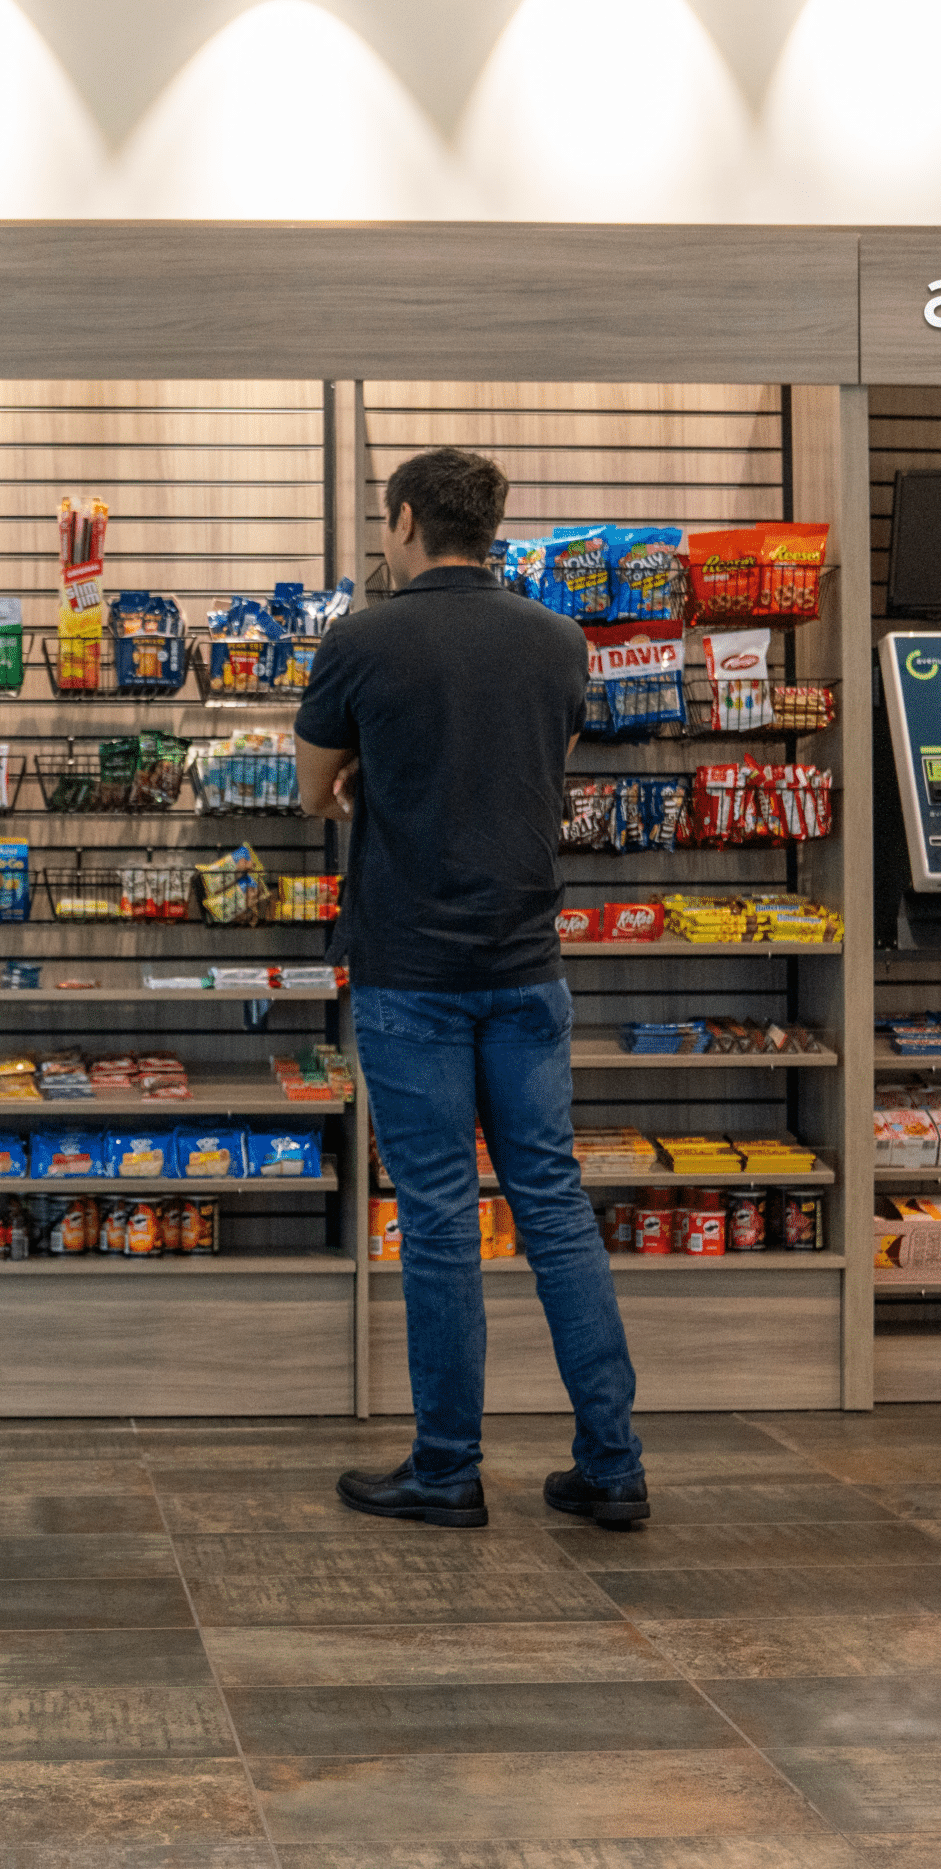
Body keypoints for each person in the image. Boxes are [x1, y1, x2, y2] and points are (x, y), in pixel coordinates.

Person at [294, 446, 648, 1531]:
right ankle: (612, 1463)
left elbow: (314, 790)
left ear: (403, 519)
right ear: (492, 526)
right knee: (552, 1206)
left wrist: (369, 777)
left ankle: (446, 1467)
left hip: (410, 971)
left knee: (441, 1219)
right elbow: (546, 762)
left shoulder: (360, 638)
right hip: (526, 967)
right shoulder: (558, 639)